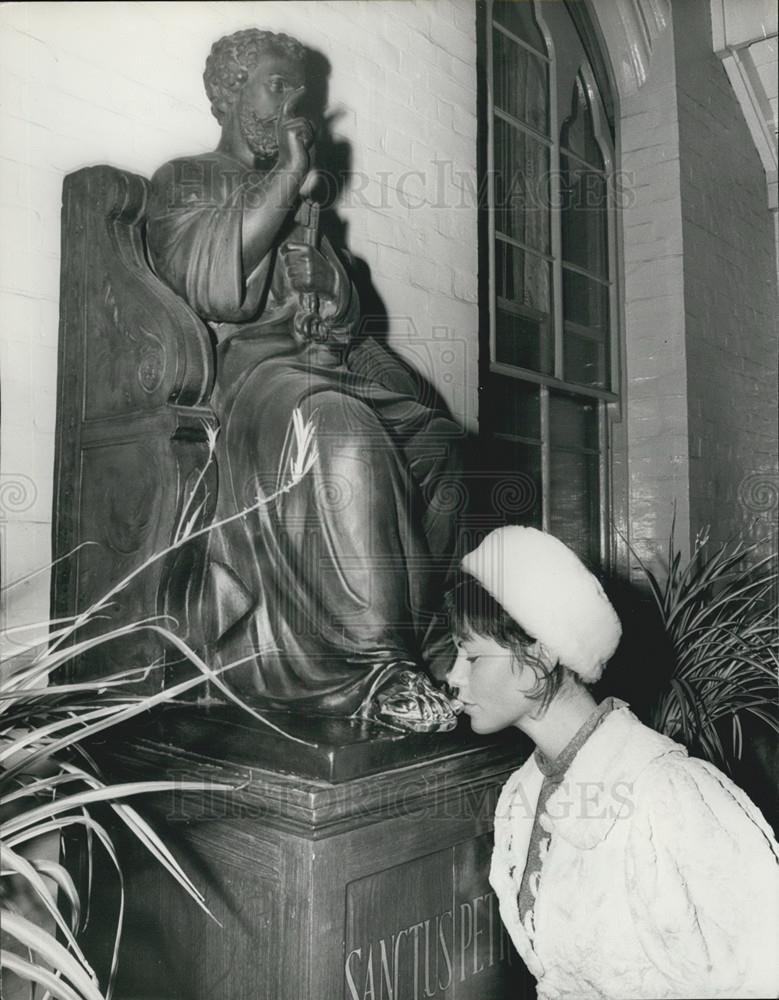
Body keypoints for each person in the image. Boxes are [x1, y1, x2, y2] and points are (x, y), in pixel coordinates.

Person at [145, 30, 462, 731]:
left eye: (300, 91)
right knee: (344, 431)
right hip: (247, 383)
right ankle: (373, 666)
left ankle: (418, 636)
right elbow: (216, 291)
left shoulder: (307, 212)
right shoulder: (187, 179)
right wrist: (289, 175)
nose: (293, 106)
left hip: (321, 373)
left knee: (443, 447)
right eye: (275, 85)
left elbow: (343, 330)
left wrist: (330, 288)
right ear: (229, 93)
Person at [446, 525, 779, 999]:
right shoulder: (519, 800)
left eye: (472, 656)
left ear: (540, 650)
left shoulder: (668, 793)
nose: (453, 676)